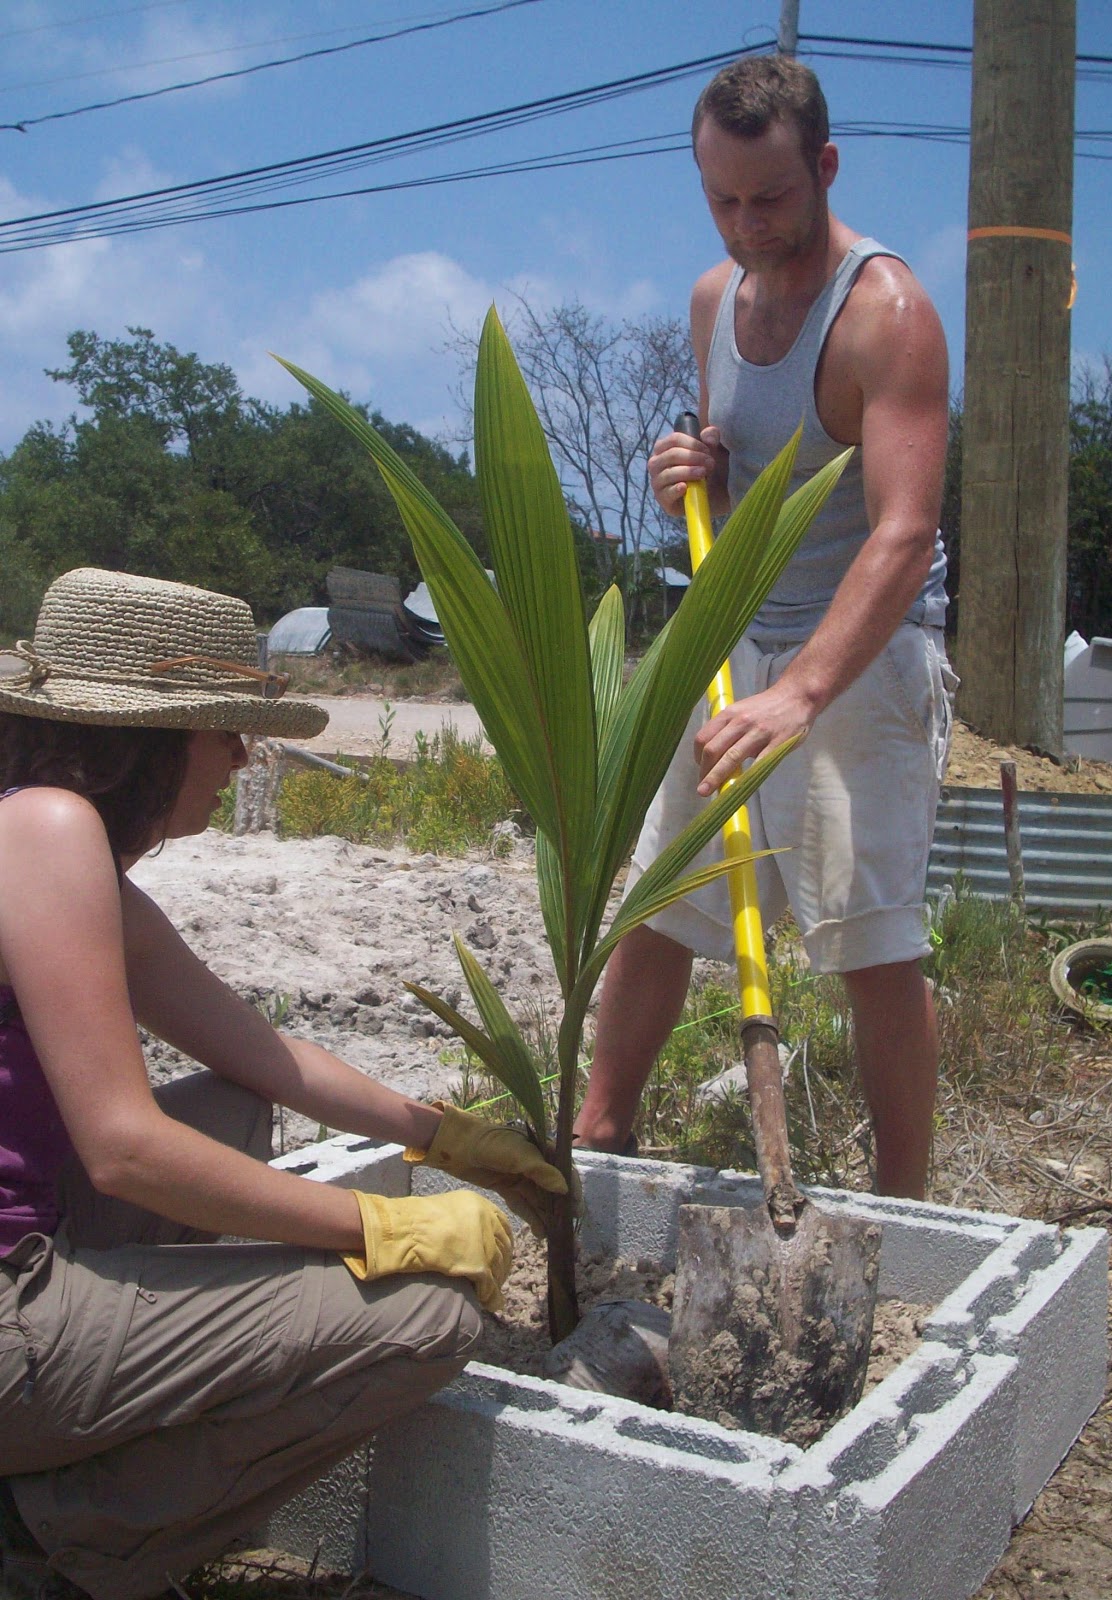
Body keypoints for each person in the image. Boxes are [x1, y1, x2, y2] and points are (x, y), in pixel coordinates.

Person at [0, 567, 567, 1600]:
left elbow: (257, 1053)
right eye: (226, 728)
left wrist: (440, 1134)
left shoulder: (44, 834)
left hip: (29, 1239)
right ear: (156, 732)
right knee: (425, 1320)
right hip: (6, 1311)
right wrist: (375, 1226)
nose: (241, 756)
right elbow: (124, 1149)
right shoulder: (46, 830)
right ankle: (55, 1545)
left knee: (232, 1107)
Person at [574, 54, 956, 1199]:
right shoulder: (713, 302)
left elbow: (898, 529)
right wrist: (695, 467)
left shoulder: (887, 315)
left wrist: (802, 694)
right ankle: (600, 1132)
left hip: (865, 657)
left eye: (772, 198)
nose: (748, 226)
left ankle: (905, 1203)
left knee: (868, 941)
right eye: (723, 200)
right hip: (735, 640)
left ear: (824, 167)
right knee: (658, 902)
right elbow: (737, 466)